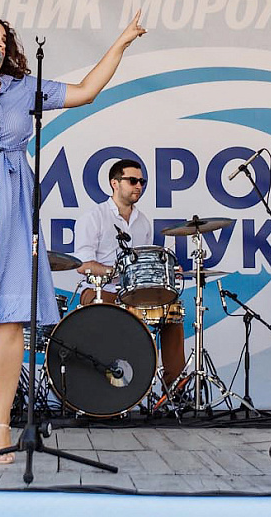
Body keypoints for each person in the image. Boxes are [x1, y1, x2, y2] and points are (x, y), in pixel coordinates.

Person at [0, 10, 145, 464]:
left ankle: (2, 423)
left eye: (4, 37)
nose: (0, 43)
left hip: (12, 207)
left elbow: (86, 91)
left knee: (11, 316)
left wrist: (121, 42)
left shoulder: (22, 88)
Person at [72, 158, 186, 385]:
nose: (139, 186)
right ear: (114, 183)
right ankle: (115, 386)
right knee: (119, 314)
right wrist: (117, 271)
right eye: (133, 181)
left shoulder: (143, 221)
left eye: (142, 182)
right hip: (99, 291)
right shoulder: (93, 217)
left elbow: (144, 265)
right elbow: (83, 265)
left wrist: (170, 272)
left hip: (135, 295)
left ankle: (175, 390)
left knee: (172, 313)